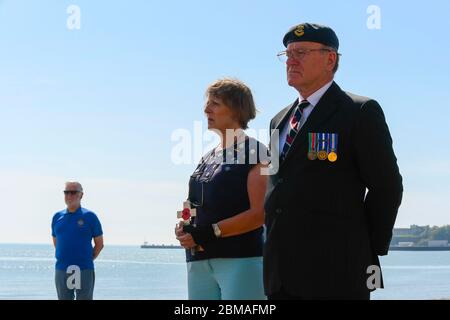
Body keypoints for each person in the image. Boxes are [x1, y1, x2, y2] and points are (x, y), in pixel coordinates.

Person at [263, 23, 403, 300]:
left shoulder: (359, 111)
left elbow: (386, 187)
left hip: (337, 270)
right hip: (281, 274)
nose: (290, 60)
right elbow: (275, 187)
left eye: (301, 52)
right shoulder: (278, 121)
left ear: (330, 59)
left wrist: (364, 248)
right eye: (287, 54)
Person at [175, 78, 269, 300]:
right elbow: (193, 203)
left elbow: (260, 213)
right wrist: (184, 226)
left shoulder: (259, 152)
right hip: (198, 261)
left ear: (237, 109)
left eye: (215, 103)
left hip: (240, 260)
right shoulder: (207, 156)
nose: (206, 109)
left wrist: (209, 232)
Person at [51, 181, 104, 300]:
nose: (69, 196)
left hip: (84, 268)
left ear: (81, 195)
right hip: (62, 268)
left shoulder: (90, 217)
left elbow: (99, 244)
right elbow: (56, 242)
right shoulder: (57, 217)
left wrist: (88, 259)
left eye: (73, 192)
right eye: (66, 192)